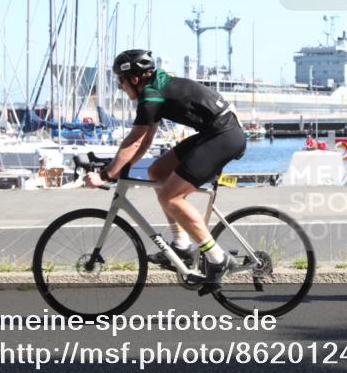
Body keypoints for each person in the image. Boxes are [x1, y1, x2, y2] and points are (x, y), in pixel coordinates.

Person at [84, 49, 247, 286]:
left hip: (223, 136)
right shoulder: (155, 89)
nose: (119, 86)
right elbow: (145, 140)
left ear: (135, 78)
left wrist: (106, 174)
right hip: (215, 133)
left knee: (171, 197)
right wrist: (123, 166)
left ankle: (217, 258)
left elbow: (135, 140)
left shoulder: (152, 95)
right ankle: (181, 246)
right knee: (157, 172)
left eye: (121, 80)